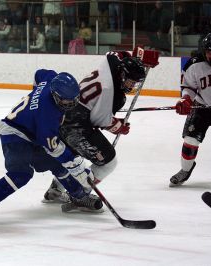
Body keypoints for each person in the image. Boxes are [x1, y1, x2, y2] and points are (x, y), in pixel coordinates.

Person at [0, 70, 104, 229]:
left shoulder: (51, 79)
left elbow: (40, 73)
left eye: (73, 100)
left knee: (56, 164)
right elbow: (55, 148)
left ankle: (78, 197)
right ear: (55, 95)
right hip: (14, 133)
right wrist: (77, 166)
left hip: (31, 131)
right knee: (21, 174)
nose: (70, 105)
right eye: (65, 102)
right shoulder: (47, 115)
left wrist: (34, 98)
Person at [42, 51, 146, 203]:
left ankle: (56, 190)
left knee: (72, 158)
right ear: (122, 74)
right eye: (130, 81)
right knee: (109, 162)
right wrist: (118, 126)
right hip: (75, 125)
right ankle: (79, 195)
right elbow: (100, 119)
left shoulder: (110, 63)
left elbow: (113, 53)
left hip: (65, 117)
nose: (132, 85)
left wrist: (131, 55)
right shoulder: (109, 91)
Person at [169, 33, 211, 187]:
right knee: (190, 140)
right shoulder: (193, 64)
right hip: (202, 106)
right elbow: (188, 87)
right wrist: (186, 99)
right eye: (208, 51)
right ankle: (185, 170)